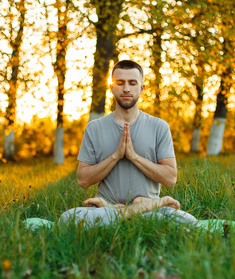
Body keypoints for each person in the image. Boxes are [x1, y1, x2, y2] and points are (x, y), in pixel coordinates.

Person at [59, 60, 198, 227]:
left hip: (151, 211)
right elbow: (83, 180)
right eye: (120, 83)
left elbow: (170, 179)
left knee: (189, 222)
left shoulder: (159, 127)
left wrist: (134, 157)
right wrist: (116, 156)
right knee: (67, 219)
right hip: (105, 211)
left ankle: (131, 210)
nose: (126, 89)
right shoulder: (94, 128)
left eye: (132, 83)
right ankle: (133, 210)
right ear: (111, 87)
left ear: (141, 88)